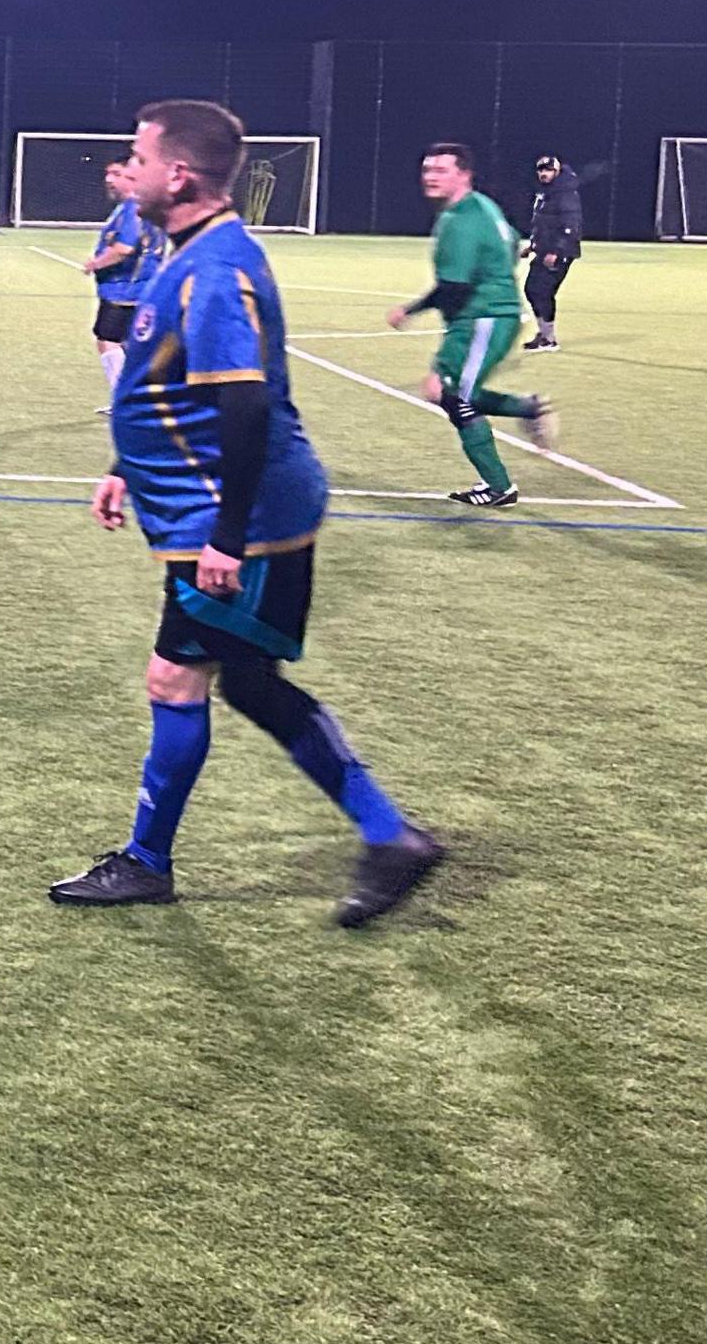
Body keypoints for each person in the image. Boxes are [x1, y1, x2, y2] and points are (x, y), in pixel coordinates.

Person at [50, 98, 446, 927]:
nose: (131, 168)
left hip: (238, 522)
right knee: (252, 684)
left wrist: (226, 537)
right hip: (221, 511)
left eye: (140, 156)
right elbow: (172, 384)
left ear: (179, 173)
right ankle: (389, 835)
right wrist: (128, 464)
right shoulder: (187, 252)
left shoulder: (217, 266)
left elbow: (245, 408)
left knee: (178, 675)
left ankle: (150, 864)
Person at [384, 141, 559, 506]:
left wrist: (411, 310)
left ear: (463, 174)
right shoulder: (483, 207)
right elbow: (512, 244)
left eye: (441, 170)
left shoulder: (460, 219)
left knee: (454, 396)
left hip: (484, 319)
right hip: (485, 316)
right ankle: (528, 409)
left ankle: (499, 487)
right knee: (442, 389)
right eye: (427, 169)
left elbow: (454, 287)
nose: (430, 176)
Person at [77, 158, 147, 411]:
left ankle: (124, 402)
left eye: (116, 173)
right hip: (139, 288)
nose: (109, 179)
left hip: (124, 289)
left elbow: (124, 249)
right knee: (130, 343)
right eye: (108, 173)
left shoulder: (132, 208)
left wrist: (95, 263)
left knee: (107, 339)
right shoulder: (147, 206)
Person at [522, 153, 583, 351]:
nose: (543, 174)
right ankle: (543, 333)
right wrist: (533, 245)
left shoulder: (565, 193)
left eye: (548, 170)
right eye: (541, 170)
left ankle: (549, 339)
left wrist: (556, 251)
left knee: (542, 292)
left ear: (556, 171)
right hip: (544, 250)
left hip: (560, 252)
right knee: (532, 289)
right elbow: (541, 224)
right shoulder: (546, 193)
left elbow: (570, 226)